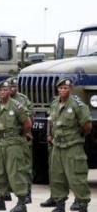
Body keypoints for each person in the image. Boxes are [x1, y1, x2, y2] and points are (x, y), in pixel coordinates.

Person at [0, 80, 31, 212]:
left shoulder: (16, 105)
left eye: (5, 90)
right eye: (0, 90)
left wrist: (18, 135)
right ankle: (1, 200)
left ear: (9, 91)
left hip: (13, 143)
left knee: (16, 172)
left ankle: (21, 202)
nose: (3, 92)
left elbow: (27, 124)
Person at [47, 78, 91, 212]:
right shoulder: (55, 103)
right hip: (57, 146)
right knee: (57, 177)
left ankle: (83, 205)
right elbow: (51, 121)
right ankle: (60, 205)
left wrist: (77, 137)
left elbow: (87, 126)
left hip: (72, 146)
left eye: (65, 88)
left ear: (71, 89)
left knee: (76, 178)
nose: (62, 90)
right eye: (60, 88)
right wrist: (50, 135)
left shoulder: (77, 105)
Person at [7, 77, 34, 203]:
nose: (12, 89)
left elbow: (30, 119)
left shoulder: (22, 99)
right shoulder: (2, 100)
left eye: (14, 87)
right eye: (10, 87)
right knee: (7, 166)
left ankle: (27, 192)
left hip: (22, 137)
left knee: (24, 166)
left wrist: (25, 133)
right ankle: (6, 191)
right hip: (7, 139)